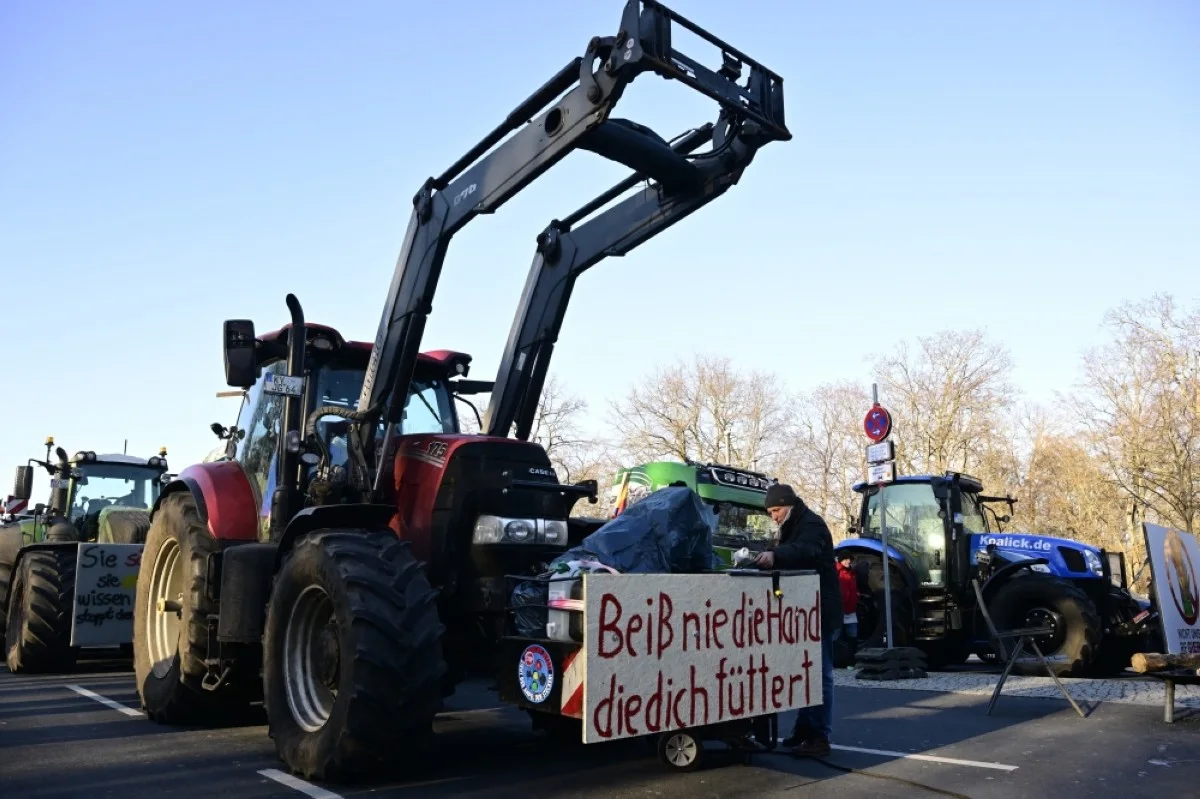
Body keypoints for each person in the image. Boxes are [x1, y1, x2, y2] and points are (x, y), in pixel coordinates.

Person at [754, 483, 842, 756]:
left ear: (789, 505)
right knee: (806, 672)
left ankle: (819, 735)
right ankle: (805, 730)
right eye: (770, 512)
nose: (774, 516)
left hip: (820, 610)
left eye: (776, 510)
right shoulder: (793, 526)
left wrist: (775, 555)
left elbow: (806, 551)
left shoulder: (812, 525)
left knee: (820, 674)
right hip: (805, 611)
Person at [835, 553, 859, 644]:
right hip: (839, 609)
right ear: (841, 560)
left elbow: (853, 588)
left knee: (853, 635)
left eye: (849, 559)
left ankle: (852, 654)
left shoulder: (851, 573)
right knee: (836, 635)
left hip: (850, 609)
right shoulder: (836, 572)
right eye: (845, 559)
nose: (848, 561)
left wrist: (857, 594)